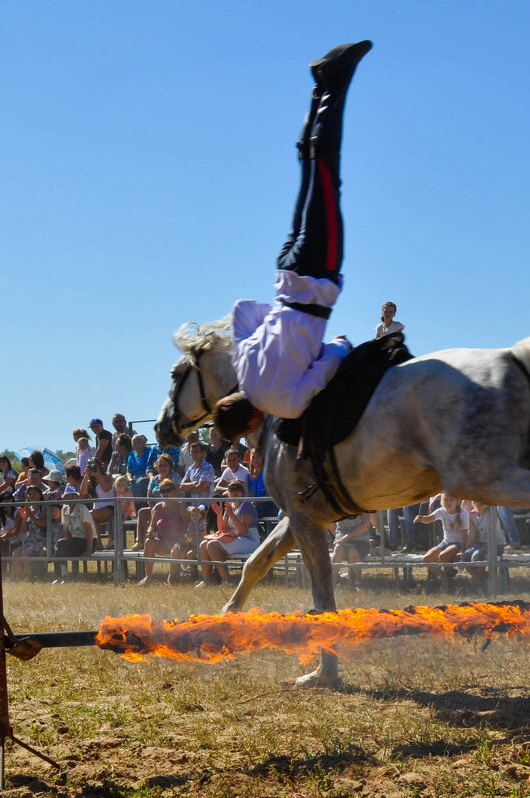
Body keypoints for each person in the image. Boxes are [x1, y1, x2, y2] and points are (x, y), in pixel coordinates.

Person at [213, 41, 373, 440]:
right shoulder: (243, 368)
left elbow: (331, 360)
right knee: (309, 176)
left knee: (326, 176)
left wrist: (333, 341)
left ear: (251, 422)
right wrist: (278, 319)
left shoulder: (286, 406)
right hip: (286, 273)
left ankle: (335, 81)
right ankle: (320, 88)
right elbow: (242, 309)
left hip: (317, 279)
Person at [198, 481, 260, 587]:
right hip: (234, 538)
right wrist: (218, 514)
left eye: (238, 489)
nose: (234, 492)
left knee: (212, 545)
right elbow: (223, 528)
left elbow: (243, 530)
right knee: (203, 544)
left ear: (242, 492)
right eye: (231, 490)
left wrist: (230, 513)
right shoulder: (229, 506)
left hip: (248, 539)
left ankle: (226, 581)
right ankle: (206, 580)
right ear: (228, 493)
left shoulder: (247, 505)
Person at [415, 494, 472, 590]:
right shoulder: (441, 511)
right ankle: (446, 579)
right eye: (445, 500)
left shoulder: (463, 514)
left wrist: (462, 551)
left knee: (442, 556)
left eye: (451, 500)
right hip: (445, 542)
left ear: (457, 501)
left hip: (458, 543)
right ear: (441, 501)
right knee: (426, 559)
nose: (448, 502)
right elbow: (429, 519)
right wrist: (421, 518)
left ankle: (448, 580)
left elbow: (465, 535)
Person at [139, 479, 189, 586]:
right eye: (162, 491)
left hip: (178, 541)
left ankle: (171, 578)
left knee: (174, 551)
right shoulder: (157, 507)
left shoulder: (180, 505)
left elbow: (186, 525)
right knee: (148, 542)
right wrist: (150, 532)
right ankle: (148, 577)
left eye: (168, 490)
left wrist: (180, 541)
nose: (165, 494)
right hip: (161, 541)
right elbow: (151, 526)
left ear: (174, 492)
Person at [53, 487, 95, 582]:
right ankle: (61, 576)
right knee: (59, 547)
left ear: (77, 497)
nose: (71, 497)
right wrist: (66, 542)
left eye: (73, 495)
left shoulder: (82, 509)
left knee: (61, 545)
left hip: (88, 541)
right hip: (75, 540)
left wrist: (89, 550)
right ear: (64, 498)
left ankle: (62, 576)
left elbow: (89, 530)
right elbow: (66, 529)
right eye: (68, 496)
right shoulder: (64, 509)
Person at [329, 513, 371, 589]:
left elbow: (366, 525)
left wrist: (348, 536)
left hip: (360, 540)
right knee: (338, 549)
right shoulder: (338, 505)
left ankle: (358, 581)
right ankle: (332, 583)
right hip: (342, 539)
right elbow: (330, 523)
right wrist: (339, 537)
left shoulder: (362, 505)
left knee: (352, 553)